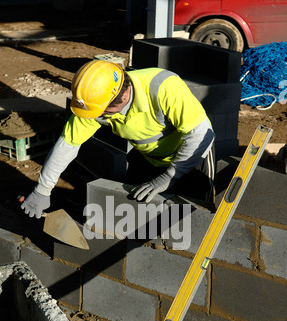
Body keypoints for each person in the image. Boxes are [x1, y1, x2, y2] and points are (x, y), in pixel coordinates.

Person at [21, 59, 216, 219]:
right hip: (148, 157)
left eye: (101, 111)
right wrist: (42, 190)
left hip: (191, 158)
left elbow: (200, 133)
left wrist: (170, 176)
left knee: (193, 219)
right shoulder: (94, 101)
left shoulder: (163, 87)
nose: (95, 116)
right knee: (134, 214)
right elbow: (68, 144)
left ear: (122, 98)